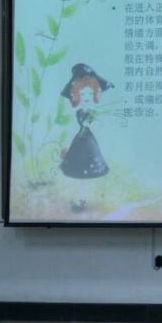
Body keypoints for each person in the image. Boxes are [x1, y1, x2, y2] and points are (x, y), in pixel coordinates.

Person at [59, 63, 114, 212]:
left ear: (95, 94)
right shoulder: (79, 112)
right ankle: (77, 199)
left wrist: (92, 124)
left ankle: (83, 199)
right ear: (76, 95)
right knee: (76, 172)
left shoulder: (94, 112)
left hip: (89, 146)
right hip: (79, 145)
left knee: (85, 176)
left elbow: (99, 127)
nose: (87, 98)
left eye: (90, 94)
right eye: (83, 95)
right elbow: (75, 127)